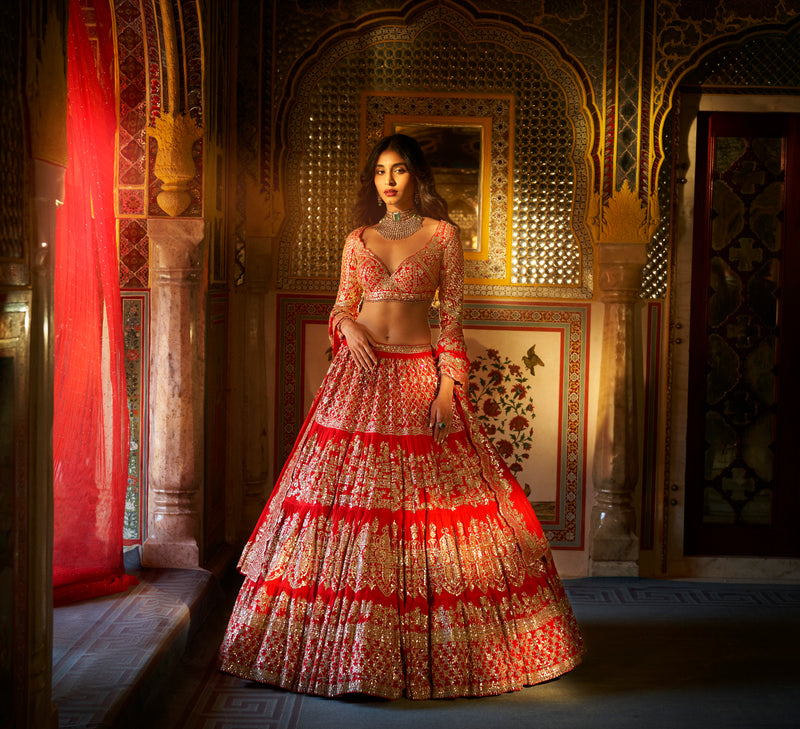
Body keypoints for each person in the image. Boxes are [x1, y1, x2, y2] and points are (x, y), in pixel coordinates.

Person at [218, 134, 585, 700]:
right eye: (381, 172)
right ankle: (345, 652)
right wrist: (349, 325)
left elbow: (454, 320)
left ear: (417, 177)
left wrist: (447, 386)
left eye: (400, 170)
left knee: (424, 515)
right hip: (360, 376)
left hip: (418, 377)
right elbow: (341, 303)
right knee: (345, 509)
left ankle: (419, 652)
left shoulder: (442, 237)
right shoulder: (356, 240)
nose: (389, 181)